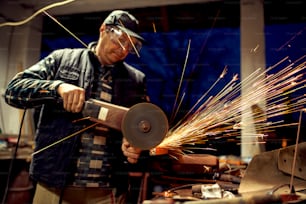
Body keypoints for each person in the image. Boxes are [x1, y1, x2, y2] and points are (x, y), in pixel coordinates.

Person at [5, 10, 150, 204]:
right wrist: (57, 87)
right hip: (54, 186)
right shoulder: (62, 60)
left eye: (131, 45)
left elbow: (145, 127)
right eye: (120, 40)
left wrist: (137, 144)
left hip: (109, 191)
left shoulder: (135, 80)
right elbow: (13, 90)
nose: (124, 49)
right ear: (103, 30)